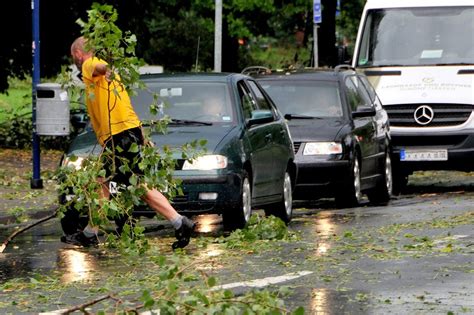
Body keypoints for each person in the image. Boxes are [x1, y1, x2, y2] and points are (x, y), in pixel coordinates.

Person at [63, 36, 195, 249]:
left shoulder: (90, 65)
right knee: (135, 185)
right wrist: (141, 136)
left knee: (102, 182)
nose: (74, 60)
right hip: (126, 133)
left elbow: (98, 66)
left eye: (73, 56)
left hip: (119, 136)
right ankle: (179, 222)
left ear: (78, 53)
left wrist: (105, 67)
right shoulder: (112, 79)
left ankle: (89, 233)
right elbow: (126, 105)